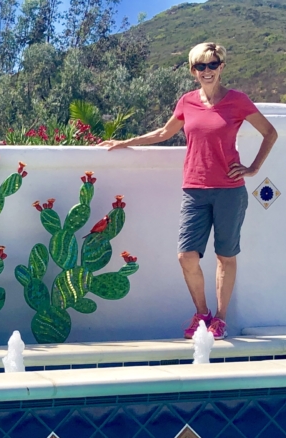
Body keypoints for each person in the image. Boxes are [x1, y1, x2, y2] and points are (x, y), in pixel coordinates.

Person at [99, 42, 277, 339]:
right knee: (186, 256)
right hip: (194, 189)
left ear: (222, 66)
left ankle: (219, 319)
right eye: (199, 66)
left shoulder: (238, 101)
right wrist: (125, 142)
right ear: (193, 71)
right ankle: (202, 314)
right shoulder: (187, 102)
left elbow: (270, 133)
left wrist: (253, 167)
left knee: (225, 255)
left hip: (230, 191)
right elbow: (163, 133)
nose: (206, 71)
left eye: (212, 64)